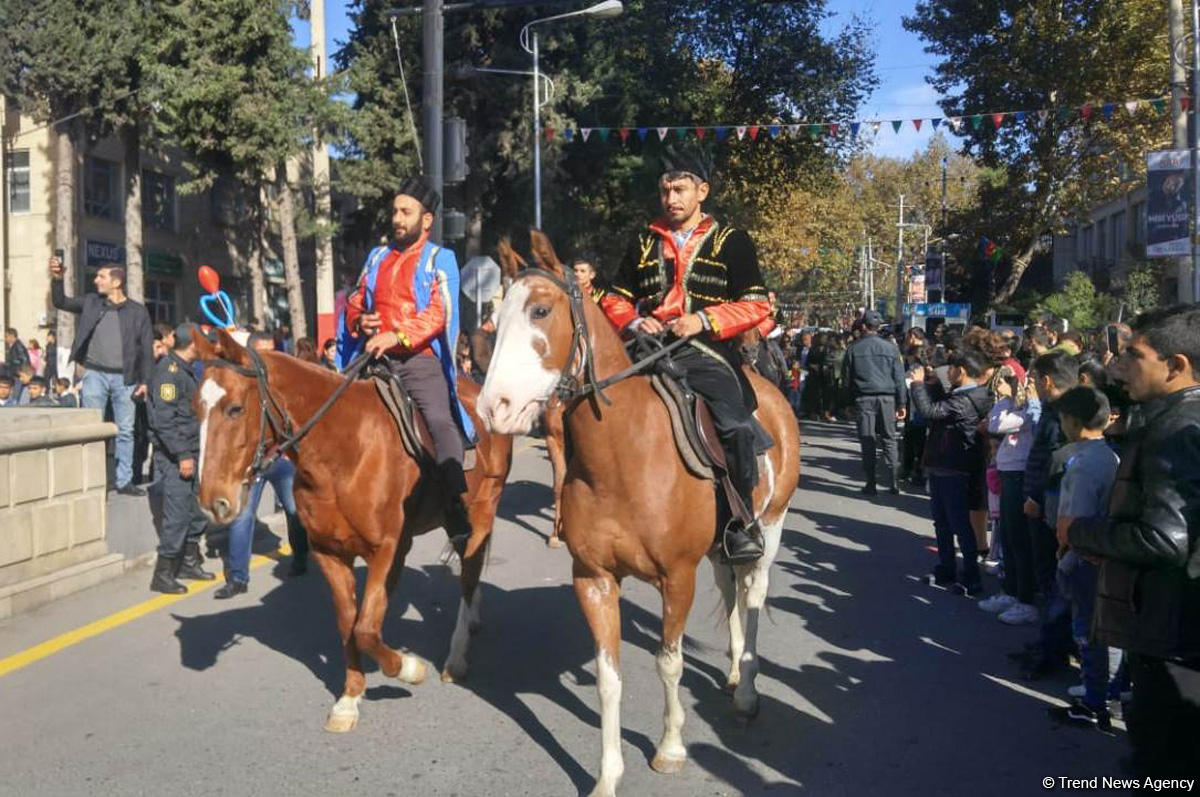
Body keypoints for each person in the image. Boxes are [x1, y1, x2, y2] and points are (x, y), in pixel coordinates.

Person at [601, 145, 772, 563]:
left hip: (706, 350)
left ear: (702, 192)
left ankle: (741, 521)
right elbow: (613, 298)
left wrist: (704, 320)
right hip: (646, 347)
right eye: (665, 191)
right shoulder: (643, 241)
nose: (671, 199)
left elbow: (757, 305)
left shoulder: (732, 241)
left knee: (735, 426)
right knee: (591, 405)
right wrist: (634, 321)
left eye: (679, 190)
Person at [1065, 306, 1200, 777]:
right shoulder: (1171, 418)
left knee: (1166, 761)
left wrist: (1081, 531)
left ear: (1176, 365)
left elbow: (1164, 539)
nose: (1121, 368)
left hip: (1172, 631)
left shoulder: (1176, 430)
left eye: (1134, 356)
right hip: (1174, 629)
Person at [342, 176, 476, 552]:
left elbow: (438, 312)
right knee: (330, 405)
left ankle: (454, 505)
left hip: (418, 360)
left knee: (439, 422)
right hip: (373, 356)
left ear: (426, 220)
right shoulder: (376, 257)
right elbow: (355, 298)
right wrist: (360, 320)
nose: (397, 219)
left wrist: (397, 336)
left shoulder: (440, 259)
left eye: (406, 212)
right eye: (395, 211)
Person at [1040, 386, 1120, 731]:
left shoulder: (1083, 465)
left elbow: (1072, 521)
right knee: (1105, 630)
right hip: (1104, 554)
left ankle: (1094, 699)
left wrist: (1063, 549)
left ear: (1072, 421)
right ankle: (1107, 690)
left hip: (1083, 557)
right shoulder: (1110, 457)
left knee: (1087, 630)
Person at [215, 332, 309, 599]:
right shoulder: (239, 386)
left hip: (280, 459)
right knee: (242, 518)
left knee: (295, 511)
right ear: (250, 354)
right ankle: (238, 578)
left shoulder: (283, 384)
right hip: (250, 464)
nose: (270, 357)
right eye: (264, 352)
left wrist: (291, 451)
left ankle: (301, 557)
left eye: (273, 350)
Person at [49, 255, 154, 496]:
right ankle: (93, 480)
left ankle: (124, 481)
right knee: (92, 429)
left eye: (101, 277)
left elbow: (146, 349)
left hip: (126, 379)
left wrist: (145, 381)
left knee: (125, 431)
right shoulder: (91, 302)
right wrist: (57, 278)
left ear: (116, 282)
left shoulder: (137, 312)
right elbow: (60, 301)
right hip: (94, 374)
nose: (96, 280)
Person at [910, 349, 994, 594]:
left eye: (951, 369)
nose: (947, 373)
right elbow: (939, 410)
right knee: (942, 522)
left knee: (959, 524)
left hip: (954, 467)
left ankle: (971, 577)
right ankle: (946, 568)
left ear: (962, 371)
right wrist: (932, 386)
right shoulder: (964, 395)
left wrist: (917, 385)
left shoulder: (965, 400)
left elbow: (930, 412)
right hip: (946, 464)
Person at [1020, 350, 1078, 679]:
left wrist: (1036, 497)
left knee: (1052, 578)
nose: (1032, 386)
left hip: (1051, 506)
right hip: (1049, 503)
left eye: (1034, 380)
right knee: (1050, 579)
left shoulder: (1062, 414)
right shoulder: (1058, 409)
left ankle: (1053, 649)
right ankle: (1051, 642)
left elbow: (1053, 462)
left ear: (1047, 380)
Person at [147, 323, 214, 593]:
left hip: (194, 449)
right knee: (177, 515)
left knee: (196, 512)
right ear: (193, 345)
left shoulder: (187, 370)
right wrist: (182, 455)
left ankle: (189, 561)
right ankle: (163, 575)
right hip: (177, 455)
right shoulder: (169, 373)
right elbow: (164, 421)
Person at [981, 364, 1042, 625]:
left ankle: (1025, 599)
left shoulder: (1030, 410)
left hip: (1019, 474)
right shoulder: (1016, 407)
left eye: (1008, 381)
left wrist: (1007, 400)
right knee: (1007, 536)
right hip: (1008, 473)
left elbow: (997, 424)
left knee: (1018, 539)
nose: (1001, 386)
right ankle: (1011, 591)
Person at [841, 310, 907, 495]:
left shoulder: (854, 348)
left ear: (863, 326)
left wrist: (847, 403)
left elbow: (846, 380)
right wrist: (902, 403)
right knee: (889, 439)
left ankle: (871, 483)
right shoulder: (891, 348)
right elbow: (899, 378)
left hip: (864, 399)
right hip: (887, 398)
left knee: (867, 440)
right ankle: (894, 482)